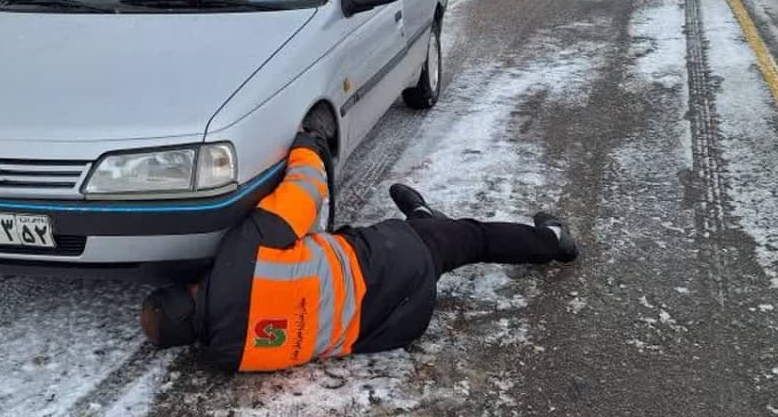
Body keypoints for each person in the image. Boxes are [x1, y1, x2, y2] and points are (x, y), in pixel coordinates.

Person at [141, 130, 578, 372]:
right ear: (187, 289)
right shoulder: (243, 257)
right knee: (471, 238)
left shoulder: (228, 357)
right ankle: (552, 241)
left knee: (427, 247)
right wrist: (308, 146)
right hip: (391, 262)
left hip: (390, 328)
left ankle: (424, 218)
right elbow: (305, 193)